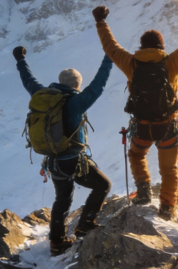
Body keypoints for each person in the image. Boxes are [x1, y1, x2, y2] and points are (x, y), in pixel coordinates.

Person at [92, 3, 178, 219]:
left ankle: (144, 191)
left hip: (142, 127)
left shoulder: (131, 64)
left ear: (142, 46)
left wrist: (101, 22)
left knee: (136, 154)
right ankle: (166, 207)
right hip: (167, 127)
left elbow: (110, 47)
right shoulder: (171, 63)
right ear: (161, 46)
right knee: (169, 169)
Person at [13, 45, 113, 255]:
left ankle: (57, 242)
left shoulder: (42, 95)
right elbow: (99, 84)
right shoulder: (76, 102)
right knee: (103, 185)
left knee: (63, 198)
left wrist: (20, 60)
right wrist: (109, 58)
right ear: (77, 84)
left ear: (59, 82)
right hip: (74, 160)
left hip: (54, 161)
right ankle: (85, 225)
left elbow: (28, 80)